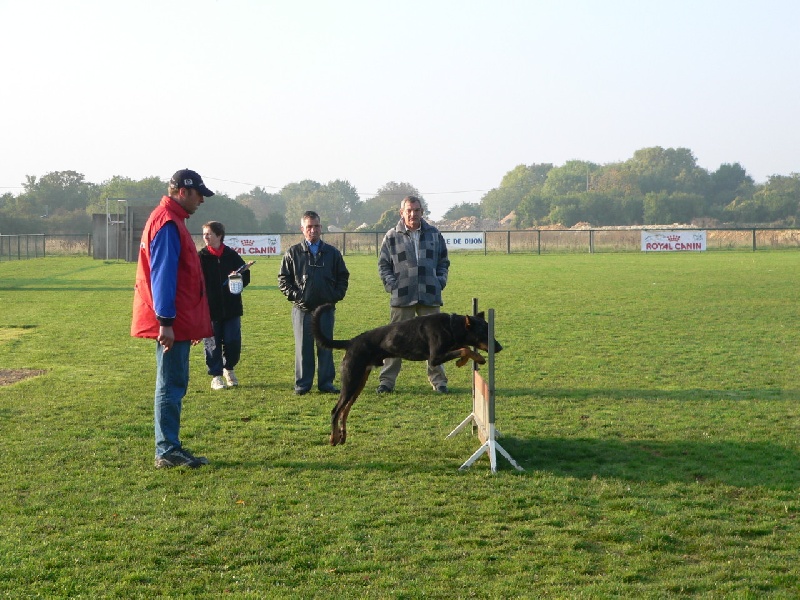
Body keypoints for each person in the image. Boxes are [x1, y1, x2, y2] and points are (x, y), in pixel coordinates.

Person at [131, 168, 214, 469]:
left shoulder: (170, 220)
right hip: (171, 322)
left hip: (177, 320)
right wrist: (166, 321)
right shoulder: (168, 224)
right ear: (183, 191)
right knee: (170, 383)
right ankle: (166, 450)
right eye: (199, 194)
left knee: (172, 382)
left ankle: (170, 445)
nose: (201, 200)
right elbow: (162, 276)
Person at [377, 195, 451, 394]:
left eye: (416, 210)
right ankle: (387, 382)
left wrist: (440, 281)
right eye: (409, 210)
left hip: (429, 294)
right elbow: (383, 265)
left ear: (422, 212)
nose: (413, 214)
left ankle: (439, 381)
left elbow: (444, 261)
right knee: (394, 340)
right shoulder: (391, 236)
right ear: (402, 213)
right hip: (402, 296)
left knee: (436, 340)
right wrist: (392, 285)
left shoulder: (434, 234)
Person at [278, 210, 349, 395]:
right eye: (309, 227)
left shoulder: (332, 253)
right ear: (302, 229)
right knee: (303, 348)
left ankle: (326, 384)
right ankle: (302, 385)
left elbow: (343, 277)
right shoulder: (293, 253)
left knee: (325, 346)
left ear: (321, 228)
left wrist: (335, 296)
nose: (313, 230)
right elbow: (283, 281)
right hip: (302, 309)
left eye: (316, 226)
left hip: (325, 309)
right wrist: (298, 297)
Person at [198, 221, 251, 390]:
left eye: (209, 234)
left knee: (233, 341)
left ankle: (229, 368)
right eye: (204, 234)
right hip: (210, 310)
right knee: (212, 344)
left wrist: (237, 278)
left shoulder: (231, 255)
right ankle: (216, 376)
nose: (205, 237)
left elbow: (246, 276)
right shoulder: (201, 257)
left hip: (232, 308)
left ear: (219, 236)